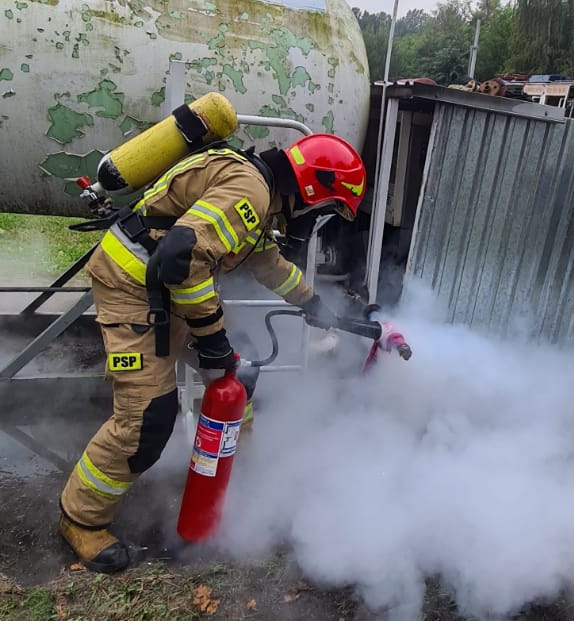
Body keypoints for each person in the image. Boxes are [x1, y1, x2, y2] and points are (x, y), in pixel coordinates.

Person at [59, 134, 366, 571]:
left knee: (241, 373)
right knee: (148, 418)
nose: (316, 219)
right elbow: (181, 257)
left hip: (167, 289)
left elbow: (268, 263)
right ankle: (81, 520)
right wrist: (213, 341)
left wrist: (313, 304)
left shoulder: (260, 194)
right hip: (132, 289)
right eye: (325, 209)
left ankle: (240, 483)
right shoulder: (251, 190)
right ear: (315, 189)